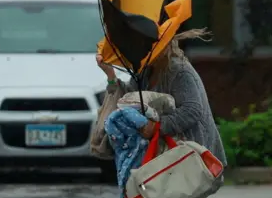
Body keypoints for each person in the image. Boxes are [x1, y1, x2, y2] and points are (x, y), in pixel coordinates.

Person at [96, 28, 227, 167]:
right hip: (167, 158)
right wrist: (110, 75)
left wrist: (157, 126)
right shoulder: (144, 71)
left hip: (194, 157)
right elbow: (129, 98)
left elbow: (192, 110)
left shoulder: (179, 70)